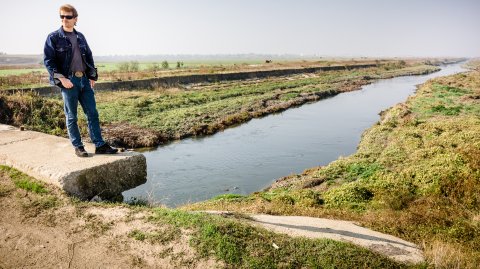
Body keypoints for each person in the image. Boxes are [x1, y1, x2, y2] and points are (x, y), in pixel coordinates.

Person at [44, 4, 117, 157]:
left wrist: (92, 76)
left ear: (75, 19)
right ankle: (78, 146)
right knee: (71, 116)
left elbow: (89, 56)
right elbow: (49, 61)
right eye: (62, 16)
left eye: (68, 17)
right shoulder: (53, 37)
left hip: (84, 79)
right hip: (69, 81)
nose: (64, 19)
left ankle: (99, 145)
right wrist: (61, 79)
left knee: (93, 113)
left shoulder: (80, 36)